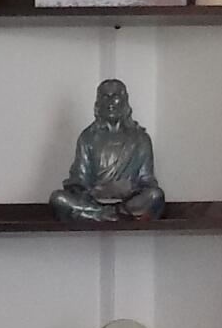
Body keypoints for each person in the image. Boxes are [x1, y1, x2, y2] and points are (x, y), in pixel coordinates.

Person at [50, 79, 165, 221]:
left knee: (155, 196)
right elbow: (79, 178)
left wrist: (128, 189)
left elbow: (147, 180)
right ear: (98, 103)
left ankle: (110, 213)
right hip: (94, 201)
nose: (110, 102)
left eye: (115, 96)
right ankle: (102, 213)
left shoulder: (140, 139)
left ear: (124, 100)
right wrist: (92, 191)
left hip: (128, 202)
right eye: (105, 96)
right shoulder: (87, 137)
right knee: (58, 198)